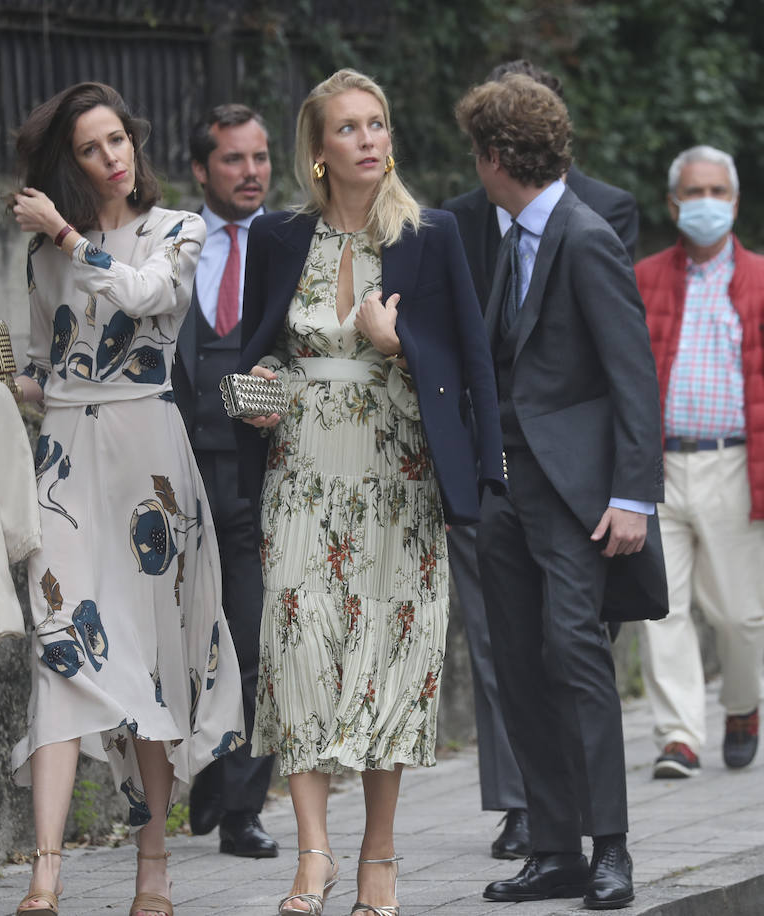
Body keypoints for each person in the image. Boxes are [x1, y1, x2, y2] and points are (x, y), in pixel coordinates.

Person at [0, 81, 244, 916]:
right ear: (69, 164)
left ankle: (153, 867)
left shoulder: (176, 230)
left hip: (148, 461)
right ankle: (44, 872)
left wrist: (72, 237)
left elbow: (148, 298)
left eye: (119, 139)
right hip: (66, 463)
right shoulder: (44, 254)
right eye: (92, 147)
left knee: (148, 661)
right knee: (58, 652)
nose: (113, 157)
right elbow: (53, 371)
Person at [234, 68, 505, 916]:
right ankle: (313, 857)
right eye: (348, 128)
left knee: (391, 665)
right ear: (318, 151)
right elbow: (259, 347)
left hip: (400, 479)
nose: (369, 139)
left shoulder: (434, 234)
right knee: (298, 651)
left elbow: (470, 363)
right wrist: (264, 384)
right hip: (302, 474)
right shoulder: (279, 239)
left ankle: (378, 859)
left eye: (378, 124)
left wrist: (397, 349)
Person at [455, 74, 667, 910]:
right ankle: (553, 849)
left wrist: (634, 496)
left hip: (576, 498)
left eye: (476, 154)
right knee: (516, 663)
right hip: (504, 485)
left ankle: (609, 848)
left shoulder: (581, 235)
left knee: (573, 656)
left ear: (496, 157)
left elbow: (632, 373)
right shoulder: (510, 236)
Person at [635, 145, 764, 778]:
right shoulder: (644, 280)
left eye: (718, 192)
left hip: (737, 467)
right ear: (673, 204)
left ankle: (742, 706)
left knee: (740, 615)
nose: (706, 203)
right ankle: (679, 737)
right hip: (657, 467)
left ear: (735, 203)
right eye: (694, 192)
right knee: (661, 608)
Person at [171, 103, 278, 859]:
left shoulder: (290, 243)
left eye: (261, 158)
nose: (251, 173)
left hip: (262, 468)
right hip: (177, 465)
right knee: (182, 633)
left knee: (255, 632)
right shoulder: (171, 245)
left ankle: (243, 807)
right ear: (202, 170)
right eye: (234, 160)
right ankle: (203, 769)